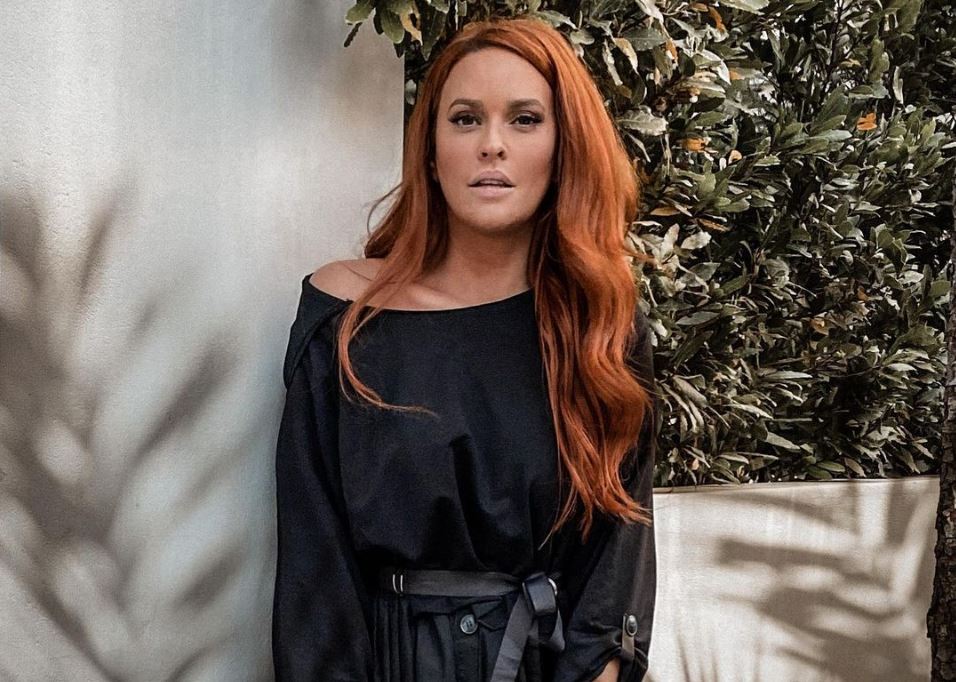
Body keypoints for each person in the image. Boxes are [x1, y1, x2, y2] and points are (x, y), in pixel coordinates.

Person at [271, 15, 659, 682]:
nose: (492, 145)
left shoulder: (601, 331)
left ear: (563, 148)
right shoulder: (347, 317)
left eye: (525, 120)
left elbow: (614, 576)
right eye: (465, 119)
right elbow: (315, 570)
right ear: (430, 149)